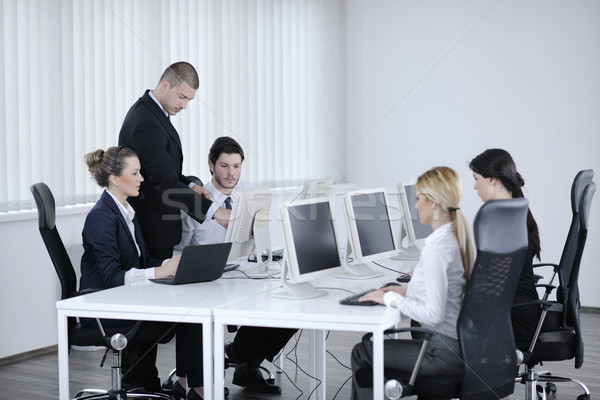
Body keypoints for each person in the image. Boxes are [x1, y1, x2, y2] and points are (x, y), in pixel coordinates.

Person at [174, 136, 297, 395]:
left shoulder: (250, 194)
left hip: (244, 273)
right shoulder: (198, 201)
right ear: (211, 166)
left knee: (291, 306)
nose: (232, 174)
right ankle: (238, 360)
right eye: (224, 166)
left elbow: (260, 237)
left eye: (237, 166)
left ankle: (245, 360)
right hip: (208, 280)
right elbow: (179, 250)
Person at [350, 166, 475, 400]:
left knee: (362, 351)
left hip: (443, 354)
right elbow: (445, 291)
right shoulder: (455, 236)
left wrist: (390, 298)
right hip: (462, 347)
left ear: (434, 203)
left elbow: (434, 315)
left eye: (419, 199)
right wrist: (404, 290)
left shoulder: (436, 249)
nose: (416, 206)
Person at [80, 146, 181, 393]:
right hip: (103, 310)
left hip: (121, 300)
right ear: (115, 178)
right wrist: (159, 272)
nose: (141, 179)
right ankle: (141, 381)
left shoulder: (126, 212)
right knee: (182, 316)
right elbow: (112, 277)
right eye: (135, 173)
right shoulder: (101, 217)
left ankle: (145, 381)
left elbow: (140, 262)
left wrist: (173, 263)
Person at [118, 61, 230, 260]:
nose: (184, 106)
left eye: (189, 100)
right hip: (152, 228)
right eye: (182, 97)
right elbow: (163, 182)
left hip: (160, 226)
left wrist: (190, 185)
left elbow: (164, 170)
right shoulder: (146, 122)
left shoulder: (154, 113)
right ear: (165, 85)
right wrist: (215, 211)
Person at [469, 148, 542, 344]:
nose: (475, 186)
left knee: (425, 320)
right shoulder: (517, 210)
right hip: (521, 312)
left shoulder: (501, 219)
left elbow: (487, 286)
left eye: (476, 178)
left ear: (492, 179)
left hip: (512, 321)